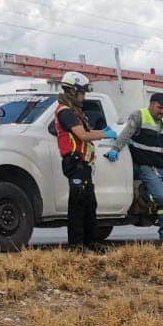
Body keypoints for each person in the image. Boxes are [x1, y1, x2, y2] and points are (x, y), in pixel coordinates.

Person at [53, 71, 117, 251]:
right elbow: (82, 135)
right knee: (78, 203)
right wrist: (105, 134)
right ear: (73, 91)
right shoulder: (65, 112)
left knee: (90, 203)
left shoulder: (75, 111)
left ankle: (91, 242)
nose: (84, 96)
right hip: (75, 163)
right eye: (82, 92)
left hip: (83, 164)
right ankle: (76, 245)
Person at [107, 91, 163, 243]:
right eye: (159, 108)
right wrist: (115, 149)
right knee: (161, 197)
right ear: (151, 104)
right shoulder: (139, 116)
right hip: (147, 166)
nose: (162, 112)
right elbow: (126, 134)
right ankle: (143, 192)